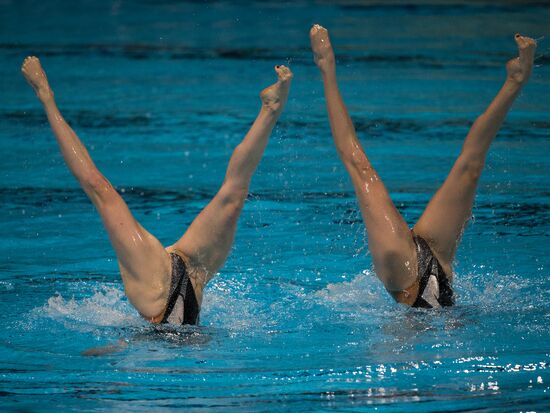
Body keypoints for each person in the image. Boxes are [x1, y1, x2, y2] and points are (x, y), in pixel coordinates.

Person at [21, 56, 292, 324]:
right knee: (233, 196)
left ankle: (270, 108)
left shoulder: (153, 338)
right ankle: (46, 97)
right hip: (188, 280)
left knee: (102, 191)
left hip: (155, 290)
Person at [309, 24, 536, 308]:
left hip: (404, 277)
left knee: (361, 167)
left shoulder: (408, 341)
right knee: (469, 165)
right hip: (433, 266)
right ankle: (516, 81)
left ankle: (326, 67)